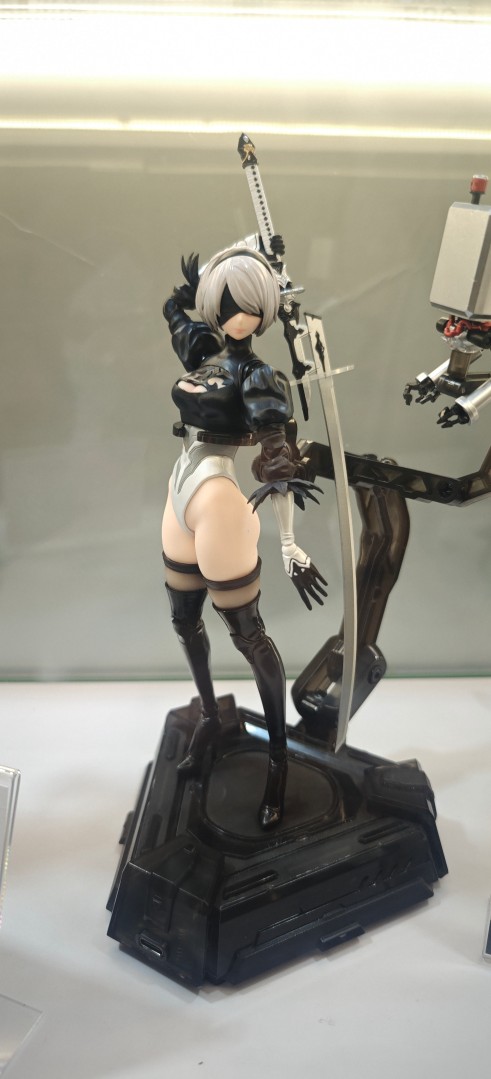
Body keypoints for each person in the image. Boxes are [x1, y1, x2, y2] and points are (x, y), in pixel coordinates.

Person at [161, 245, 326, 829]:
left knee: (248, 635)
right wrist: (194, 288)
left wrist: (288, 543)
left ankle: (279, 757)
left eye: (250, 307)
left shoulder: (258, 375)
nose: (239, 318)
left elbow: (278, 460)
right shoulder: (202, 350)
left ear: (264, 312)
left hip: (220, 498)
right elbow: (173, 312)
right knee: (183, 618)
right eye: (228, 305)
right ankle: (210, 717)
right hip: (180, 487)